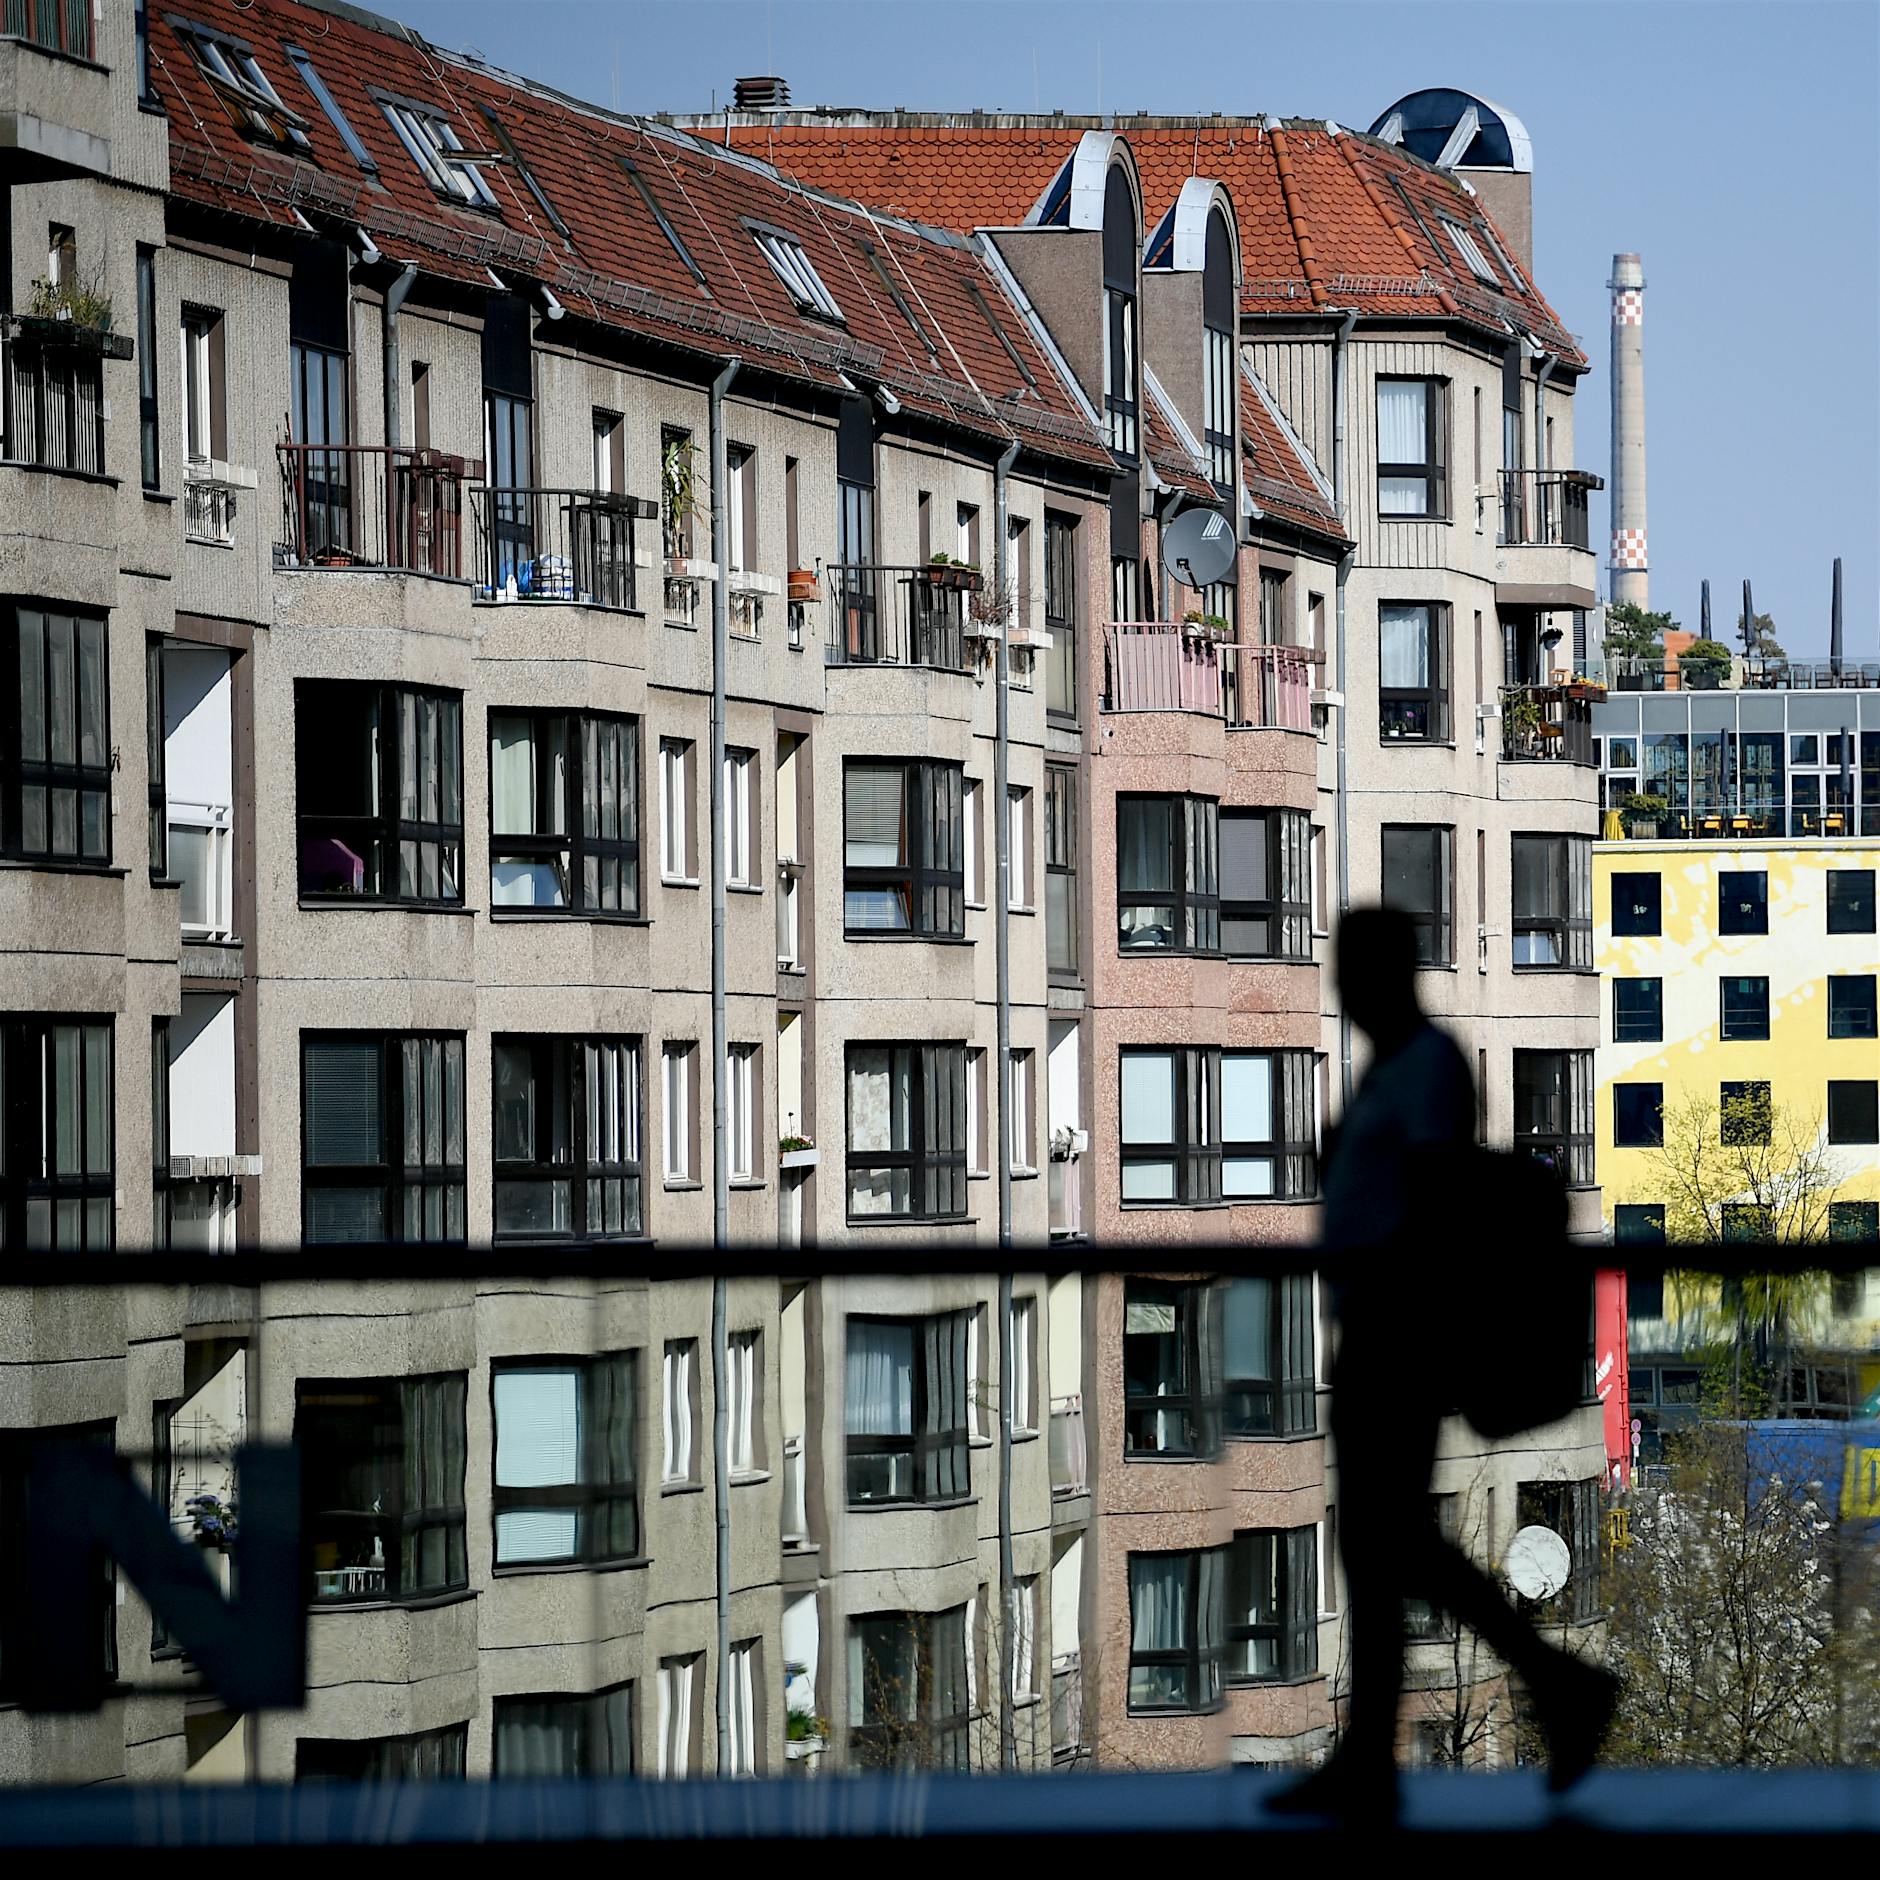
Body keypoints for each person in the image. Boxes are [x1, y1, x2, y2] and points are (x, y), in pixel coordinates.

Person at [1271, 907, 1617, 1819]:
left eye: (1353, 969)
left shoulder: (1426, 1065)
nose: (1340, 987)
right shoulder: (1397, 1066)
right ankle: (1518, 1697)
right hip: (1377, 1330)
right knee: (1383, 1547)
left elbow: (1434, 1196)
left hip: (1399, 1335)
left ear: (1384, 975)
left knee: (1387, 1544)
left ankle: (1543, 1688)